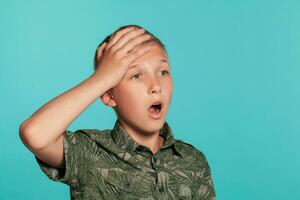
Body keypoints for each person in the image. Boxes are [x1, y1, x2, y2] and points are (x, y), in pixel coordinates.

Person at [19, 24, 216, 199]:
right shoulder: (88, 153)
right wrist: (102, 79)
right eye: (137, 75)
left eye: (163, 72)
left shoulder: (193, 160)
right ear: (109, 95)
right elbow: (35, 134)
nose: (156, 85)